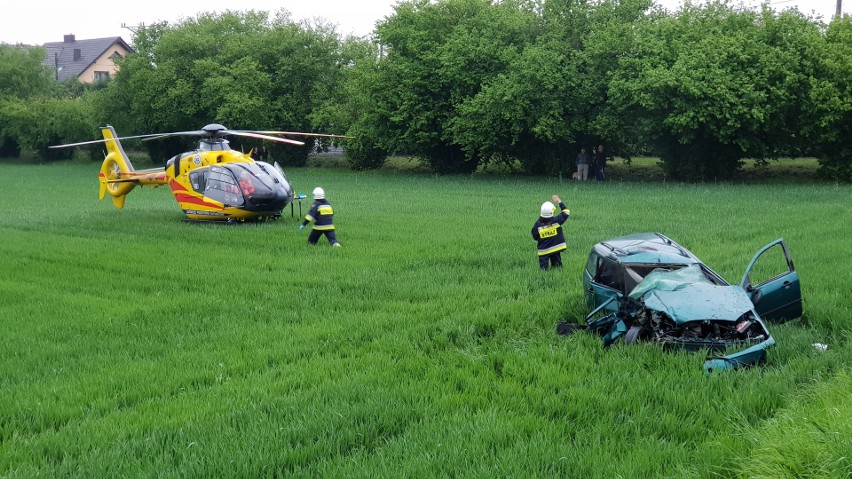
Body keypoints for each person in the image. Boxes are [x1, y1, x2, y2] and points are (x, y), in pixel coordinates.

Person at [531, 195, 570, 270]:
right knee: (557, 267)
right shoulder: (557, 220)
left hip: (543, 251)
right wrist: (559, 201)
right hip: (556, 248)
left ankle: (544, 278)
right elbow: (566, 212)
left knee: (543, 270)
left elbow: (534, 236)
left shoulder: (538, 225)